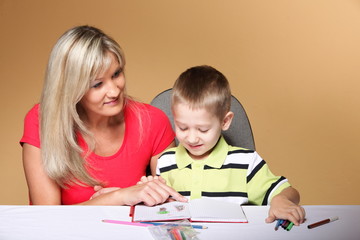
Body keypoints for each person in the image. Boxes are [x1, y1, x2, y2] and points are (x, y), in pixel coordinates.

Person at [20, 25, 187, 206]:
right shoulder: (41, 121)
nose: (114, 91)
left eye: (116, 74)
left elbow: (170, 207)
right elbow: (47, 218)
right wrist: (117, 198)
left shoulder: (153, 121)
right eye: (97, 84)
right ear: (71, 89)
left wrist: (127, 199)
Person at [140, 65, 305, 225]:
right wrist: (149, 194)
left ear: (225, 121)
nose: (191, 138)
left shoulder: (246, 162)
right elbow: (163, 212)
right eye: (182, 127)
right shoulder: (166, 162)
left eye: (203, 130)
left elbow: (289, 192)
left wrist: (281, 200)